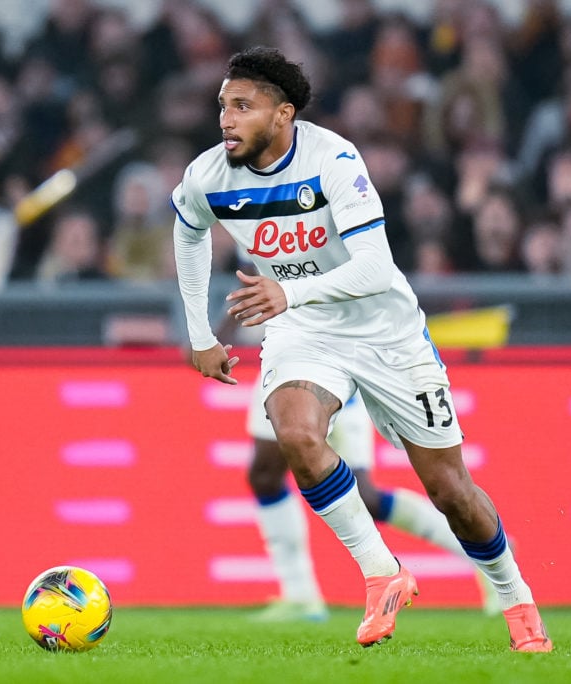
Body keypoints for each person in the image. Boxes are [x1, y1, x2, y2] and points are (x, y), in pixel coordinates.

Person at [171, 46, 551, 651]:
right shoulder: (209, 176)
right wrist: (199, 334)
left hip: (385, 331)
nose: (226, 120)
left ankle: (516, 598)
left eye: (243, 106)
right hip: (305, 331)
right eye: (223, 106)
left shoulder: (333, 159)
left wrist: (289, 293)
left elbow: (376, 266)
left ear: (283, 114)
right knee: (294, 435)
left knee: (451, 491)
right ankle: (382, 573)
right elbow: (187, 228)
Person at [245, 388, 502, 622]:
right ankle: (299, 595)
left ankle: (484, 551)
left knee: (364, 497)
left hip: (327, 372)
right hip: (281, 363)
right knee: (265, 476)